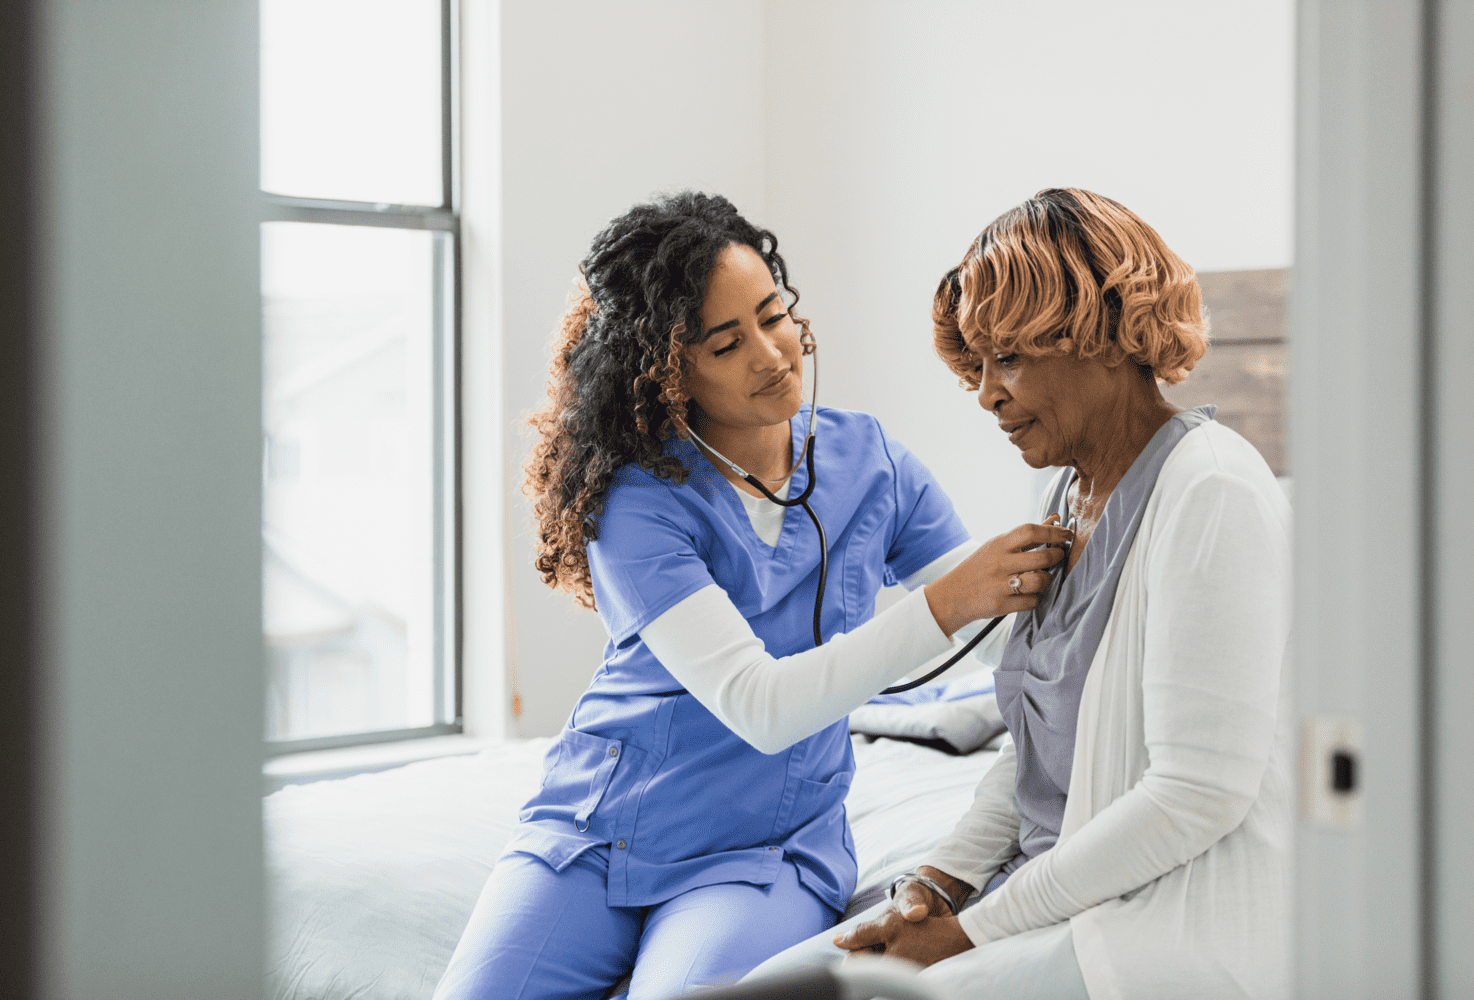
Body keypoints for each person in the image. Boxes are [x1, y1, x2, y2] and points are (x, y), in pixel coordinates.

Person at [431, 191, 1071, 1000]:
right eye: (726, 343)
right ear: (667, 370)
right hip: (593, 832)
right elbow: (758, 704)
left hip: (762, 855)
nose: (772, 354)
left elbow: (1013, 634)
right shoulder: (637, 498)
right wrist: (949, 600)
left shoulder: (872, 463)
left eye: (775, 316)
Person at [744, 188, 1293, 1000]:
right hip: (1046, 894)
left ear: (1103, 336)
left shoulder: (1212, 489)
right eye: (980, 363)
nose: (985, 394)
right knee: (767, 985)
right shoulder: (1071, 498)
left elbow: (1195, 796)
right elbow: (1033, 758)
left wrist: (964, 935)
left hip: (1157, 927)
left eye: (1009, 359)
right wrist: (936, 886)